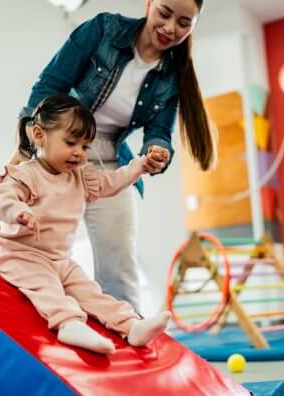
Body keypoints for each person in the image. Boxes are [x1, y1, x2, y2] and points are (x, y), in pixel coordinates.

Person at [11, 0, 216, 311]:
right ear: (149, 4)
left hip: (107, 160)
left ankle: (129, 336)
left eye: (185, 23)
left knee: (119, 264)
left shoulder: (172, 75)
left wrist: (156, 151)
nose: (171, 28)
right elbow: (49, 86)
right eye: (164, 13)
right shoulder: (105, 29)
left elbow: (159, 131)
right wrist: (28, 149)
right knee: (31, 244)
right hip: (56, 152)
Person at [0, 94, 171, 354]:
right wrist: (18, 211)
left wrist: (140, 165)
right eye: (71, 142)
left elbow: (113, 182)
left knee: (92, 293)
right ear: (39, 135)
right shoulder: (26, 174)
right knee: (48, 289)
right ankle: (68, 324)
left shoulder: (79, 177)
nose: (79, 152)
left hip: (61, 261)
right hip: (23, 256)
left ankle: (130, 326)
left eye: (85, 146)